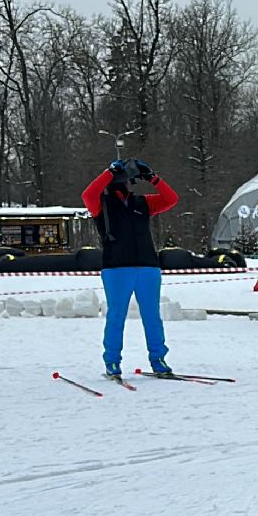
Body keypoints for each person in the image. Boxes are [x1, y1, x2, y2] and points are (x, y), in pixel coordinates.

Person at [81, 159, 178, 378]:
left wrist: (153, 177)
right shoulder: (101, 204)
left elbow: (171, 199)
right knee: (116, 315)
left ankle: (158, 359)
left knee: (152, 316)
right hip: (117, 268)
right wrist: (108, 172)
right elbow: (87, 194)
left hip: (147, 267)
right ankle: (112, 361)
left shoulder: (142, 203)